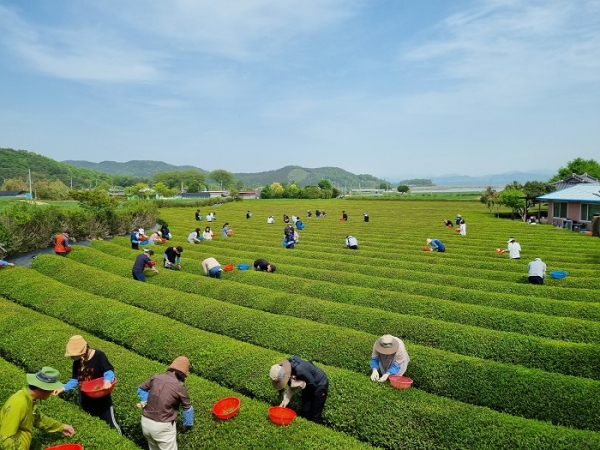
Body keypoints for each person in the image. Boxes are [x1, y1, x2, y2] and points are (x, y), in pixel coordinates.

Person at [54, 335, 121, 433]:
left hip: (102, 401)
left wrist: (107, 381)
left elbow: (108, 371)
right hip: (86, 400)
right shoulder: (77, 363)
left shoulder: (99, 356)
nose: (73, 358)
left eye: (74, 355)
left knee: (111, 425)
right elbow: (75, 379)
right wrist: (63, 388)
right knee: (95, 428)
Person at [0, 366, 75, 449]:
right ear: (44, 388)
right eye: (51, 389)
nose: (52, 392)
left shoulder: (30, 400)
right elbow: (6, 438)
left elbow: (39, 419)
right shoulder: (19, 403)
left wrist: (61, 427)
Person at [137, 356, 194, 450]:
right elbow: (188, 408)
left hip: (145, 422)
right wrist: (187, 424)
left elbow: (141, 388)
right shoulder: (179, 386)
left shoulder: (156, 377)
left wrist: (146, 401)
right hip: (163, 427)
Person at [269, 355, 329, 424]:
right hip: (308, 382)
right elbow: (292, 386)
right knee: (305, 412)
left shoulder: (299, 370)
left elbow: (312, 385)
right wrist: (285, 401)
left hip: (319, 384)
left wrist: (300, 383)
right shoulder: (286, 368)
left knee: (315, 416)